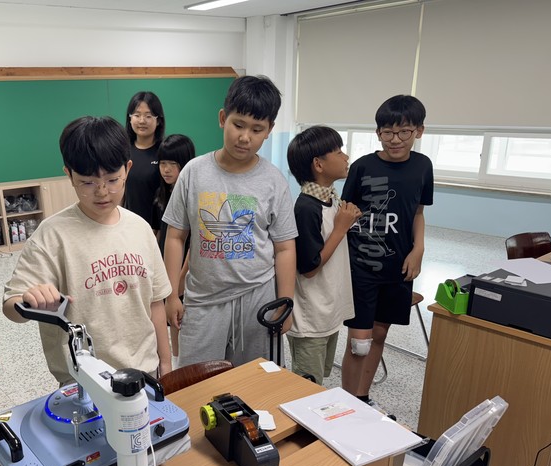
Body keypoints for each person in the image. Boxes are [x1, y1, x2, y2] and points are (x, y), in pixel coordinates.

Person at [2, 116, 172, 385]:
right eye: (88, 183)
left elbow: (156, 303)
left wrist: (166, 362)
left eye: (113, 180)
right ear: (69, 175)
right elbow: (11, 306)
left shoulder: (140, 228)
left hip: (144, 374)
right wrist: (29, 299)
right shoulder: (52, 235)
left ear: (127, 169)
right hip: (83, 382)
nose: (103, 192)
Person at [162, 75, 297, 368]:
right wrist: (171, 295)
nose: (245, 137)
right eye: (239, 124)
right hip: (203, 300)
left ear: (269, 130)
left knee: (257, 380)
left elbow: (285, 247)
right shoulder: (193, 172)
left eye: (257, 129)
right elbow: (175, 236)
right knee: (197, 381)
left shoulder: (274, 181)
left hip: (258, 299)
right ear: (223, 118)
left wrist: (286, 302)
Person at [340, 95, 433, 403]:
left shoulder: (422, 166)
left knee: (379, 333)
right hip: (362, 265)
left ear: (419, 131)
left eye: (404, 131)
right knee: (359, 343)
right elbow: (346, 213)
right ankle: (346, 401)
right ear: (378, 132)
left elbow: (418, 212)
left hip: (399, 265)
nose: (395, 139)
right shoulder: (363, 166)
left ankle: (362, 397)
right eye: (388, 132)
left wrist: (418, 249)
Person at [286, 126, 362, 384]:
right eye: (338, 152)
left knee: (319, 379)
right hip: (311, 318)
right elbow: (310, 267)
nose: (346, 157)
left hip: (328, 309)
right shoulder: (306, 207)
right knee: (306, 385)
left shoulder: (330, 199)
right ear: (319, 164)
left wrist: (345, 221)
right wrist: (340, 229)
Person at [150, 134, 195, 369]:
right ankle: (175, 362)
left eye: (172, 164)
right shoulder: (164, 193)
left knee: (180, 319)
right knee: (171, 318)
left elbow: (192, 244)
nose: (166, 169)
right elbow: (161, 234)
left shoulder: (190, 193)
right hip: (166, 269)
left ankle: (180, 363)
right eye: (162, 163)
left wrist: (179, 278)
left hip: (182, 273)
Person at [123, 91, 165, 226]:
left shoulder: (165, 152)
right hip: (130, 225)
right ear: (130, 118)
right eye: (137, 115)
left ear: (158, 120)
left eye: (148, 116)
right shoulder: (123, 151)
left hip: (158, 228)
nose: (142, 121)